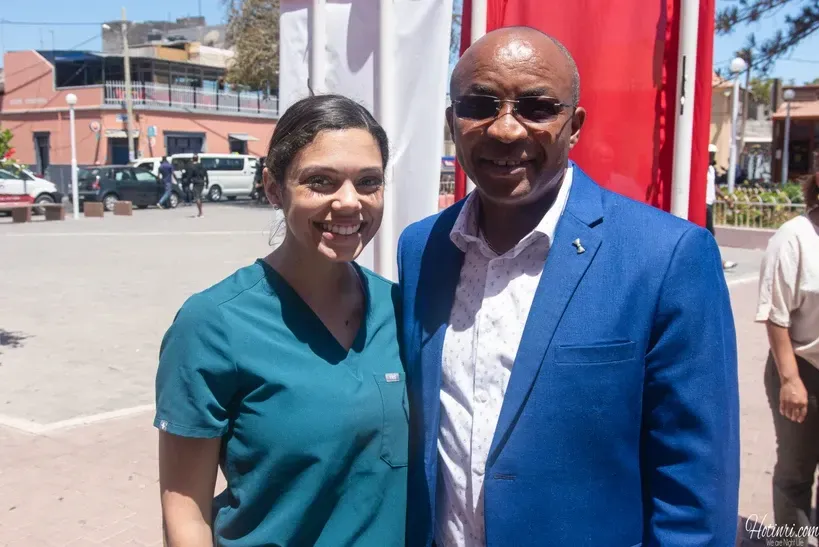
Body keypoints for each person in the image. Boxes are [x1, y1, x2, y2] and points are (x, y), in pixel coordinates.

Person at [397, 27, 740, 547]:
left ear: (574, 126)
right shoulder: (421, 248)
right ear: (452, 121)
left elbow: (696, 485)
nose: (506, 130)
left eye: (537, 108)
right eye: (480, 104)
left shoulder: (667, 257)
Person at [155, 95, 408, 546]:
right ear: (274, 188)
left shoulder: (401, 308)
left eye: (368, 181)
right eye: (320, 182)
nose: (349, 202)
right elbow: (185, 508)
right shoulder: (213, 324)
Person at [756, 172, 819, 539]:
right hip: (802, 371)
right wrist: (790, 380)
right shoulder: (795, 237)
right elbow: (776, 315)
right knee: (796, 473)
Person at [706, 144, 737, 270]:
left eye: (713, 154)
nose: (712, 156)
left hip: (710, 203)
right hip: (703, 204)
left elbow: (714, 187)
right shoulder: (701, 168)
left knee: (710, 233)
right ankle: (718, 261)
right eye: (710, 154)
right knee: (709, 233)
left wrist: (725, 198)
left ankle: (714, 260)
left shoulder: (711, 169)